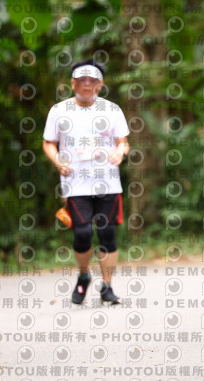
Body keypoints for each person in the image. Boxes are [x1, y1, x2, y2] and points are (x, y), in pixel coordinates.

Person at [43, 59, 130, 305]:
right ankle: (84, 276)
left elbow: (123, 142)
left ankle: (107, 286)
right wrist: (58, 161)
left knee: (107, 233)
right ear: (73, 83)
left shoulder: (112, 110)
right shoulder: (59, 111)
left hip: (107, 182)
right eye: (82, 80)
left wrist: (120, 152)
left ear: (100, 85)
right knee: (82, 233)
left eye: (92, 80)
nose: (87, 84)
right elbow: (48, 143)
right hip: (75, 182)